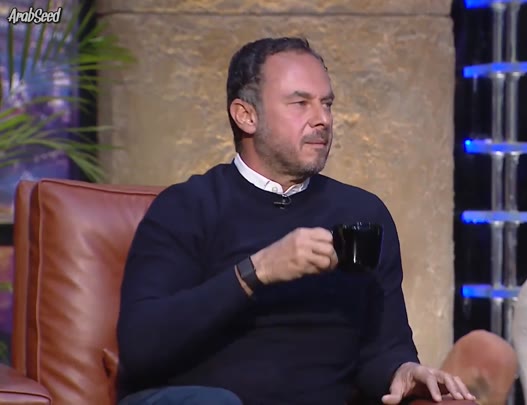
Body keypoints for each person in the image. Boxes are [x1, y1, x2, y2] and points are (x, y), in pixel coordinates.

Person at [116, 37, 477, 405]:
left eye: (327, 104)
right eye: (301, 103)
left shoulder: (361, 214)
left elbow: (383, 346)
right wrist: (257, 271)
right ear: (246, 115)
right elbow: (141, 348)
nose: (323, 119)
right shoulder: (187, 207)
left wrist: (400, 370)